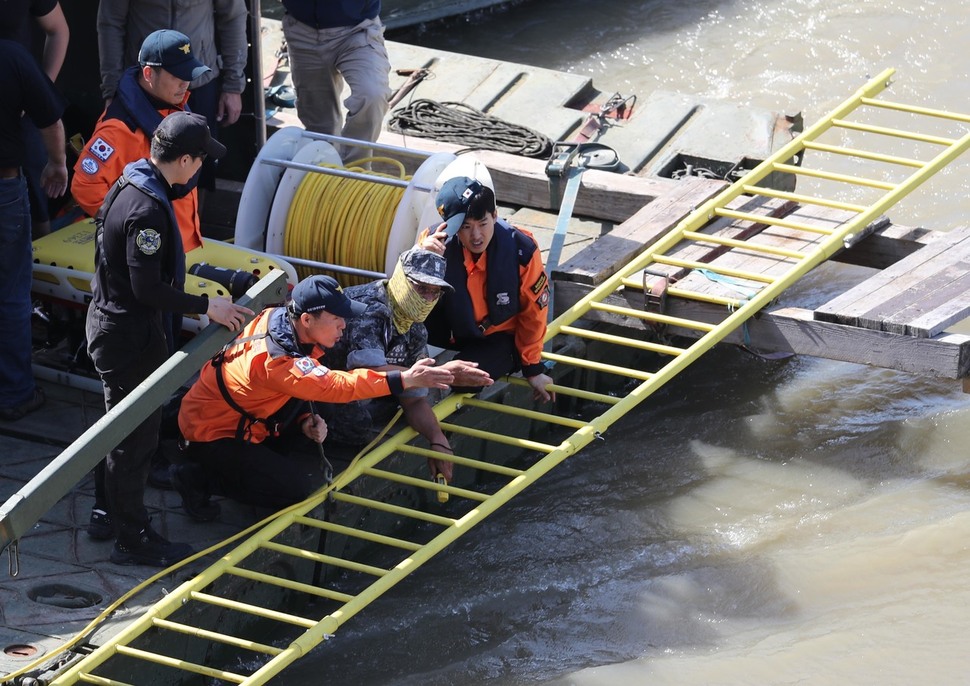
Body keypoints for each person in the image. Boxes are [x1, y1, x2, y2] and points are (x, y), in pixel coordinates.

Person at [85, 111, 253, 567]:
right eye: (199, 161)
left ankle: (108, 513)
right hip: (129, 337)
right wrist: (206, 307)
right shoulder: (148, 210)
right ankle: (132, 535)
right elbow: (146, 289)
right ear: (183, 161)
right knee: (133, 440)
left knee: (116, 428)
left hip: (113, 325)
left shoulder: (131, 180)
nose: (199, 172)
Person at [174, 274, 456, 516]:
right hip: (213, 433)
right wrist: (405, 379)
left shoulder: (281, 319)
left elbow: (305, 385)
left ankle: (259, 462)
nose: (343, 327)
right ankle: (199, 478)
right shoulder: (277, 361)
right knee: (295, 489)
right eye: (336, 320)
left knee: (323, 411)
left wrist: (305, 418)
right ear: (307, 319)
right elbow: (337, 386)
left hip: (246, 414)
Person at [321, 248, 493, 482]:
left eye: (435, 293)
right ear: (402, 281)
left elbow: (413, 398)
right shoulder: (369, 310)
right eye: (421, 288)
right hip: (319, 389)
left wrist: (437, 438)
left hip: (359, 391)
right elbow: (365, 373)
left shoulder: (414, 328)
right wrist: (437, 374)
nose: (428, 299)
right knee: (359, 423)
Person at [418, 176, 556, 403]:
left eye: (482, 224)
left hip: (498, 338)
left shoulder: (522, 251)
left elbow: (534, 313)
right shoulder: (433, 241)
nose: (476, 236)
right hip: (451, 329)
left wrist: (532, 368)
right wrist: (420, 257)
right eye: (466, 227)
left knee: (468, 378)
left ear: (494, 215)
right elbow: (405, 300)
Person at [72, 29, 211, 253]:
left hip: (182, 247)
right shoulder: (117, 129)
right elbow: (85, 187)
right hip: (151, 257)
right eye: (177, 76)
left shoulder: (173, 104)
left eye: (187, 74)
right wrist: (133, 231)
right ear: (148, 73)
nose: (185, 83)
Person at [97, 0, 248, 191]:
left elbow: (233, 16)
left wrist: (233, 85)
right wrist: (112, 89)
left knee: (199, 172)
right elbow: (110, 23)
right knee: (142, 172)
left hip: (200, 85)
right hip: (146, 90)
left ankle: (193, 221)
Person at [0, 39, 68, 421]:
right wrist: (58, 164)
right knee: (10, 292)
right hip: (4, 188)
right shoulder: (12, 55)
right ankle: (14, 393)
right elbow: (50, 120)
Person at [280, 0, 391, 161]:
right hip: (303, 31)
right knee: (320, 126)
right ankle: (324, 169)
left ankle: (354, 171)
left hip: (358, 29)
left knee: (373, 94)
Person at [0, 0, 69, 240]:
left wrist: (39, 92)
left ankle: (39, 269)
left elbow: (58, 30)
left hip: (18, 111)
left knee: (39, 197)